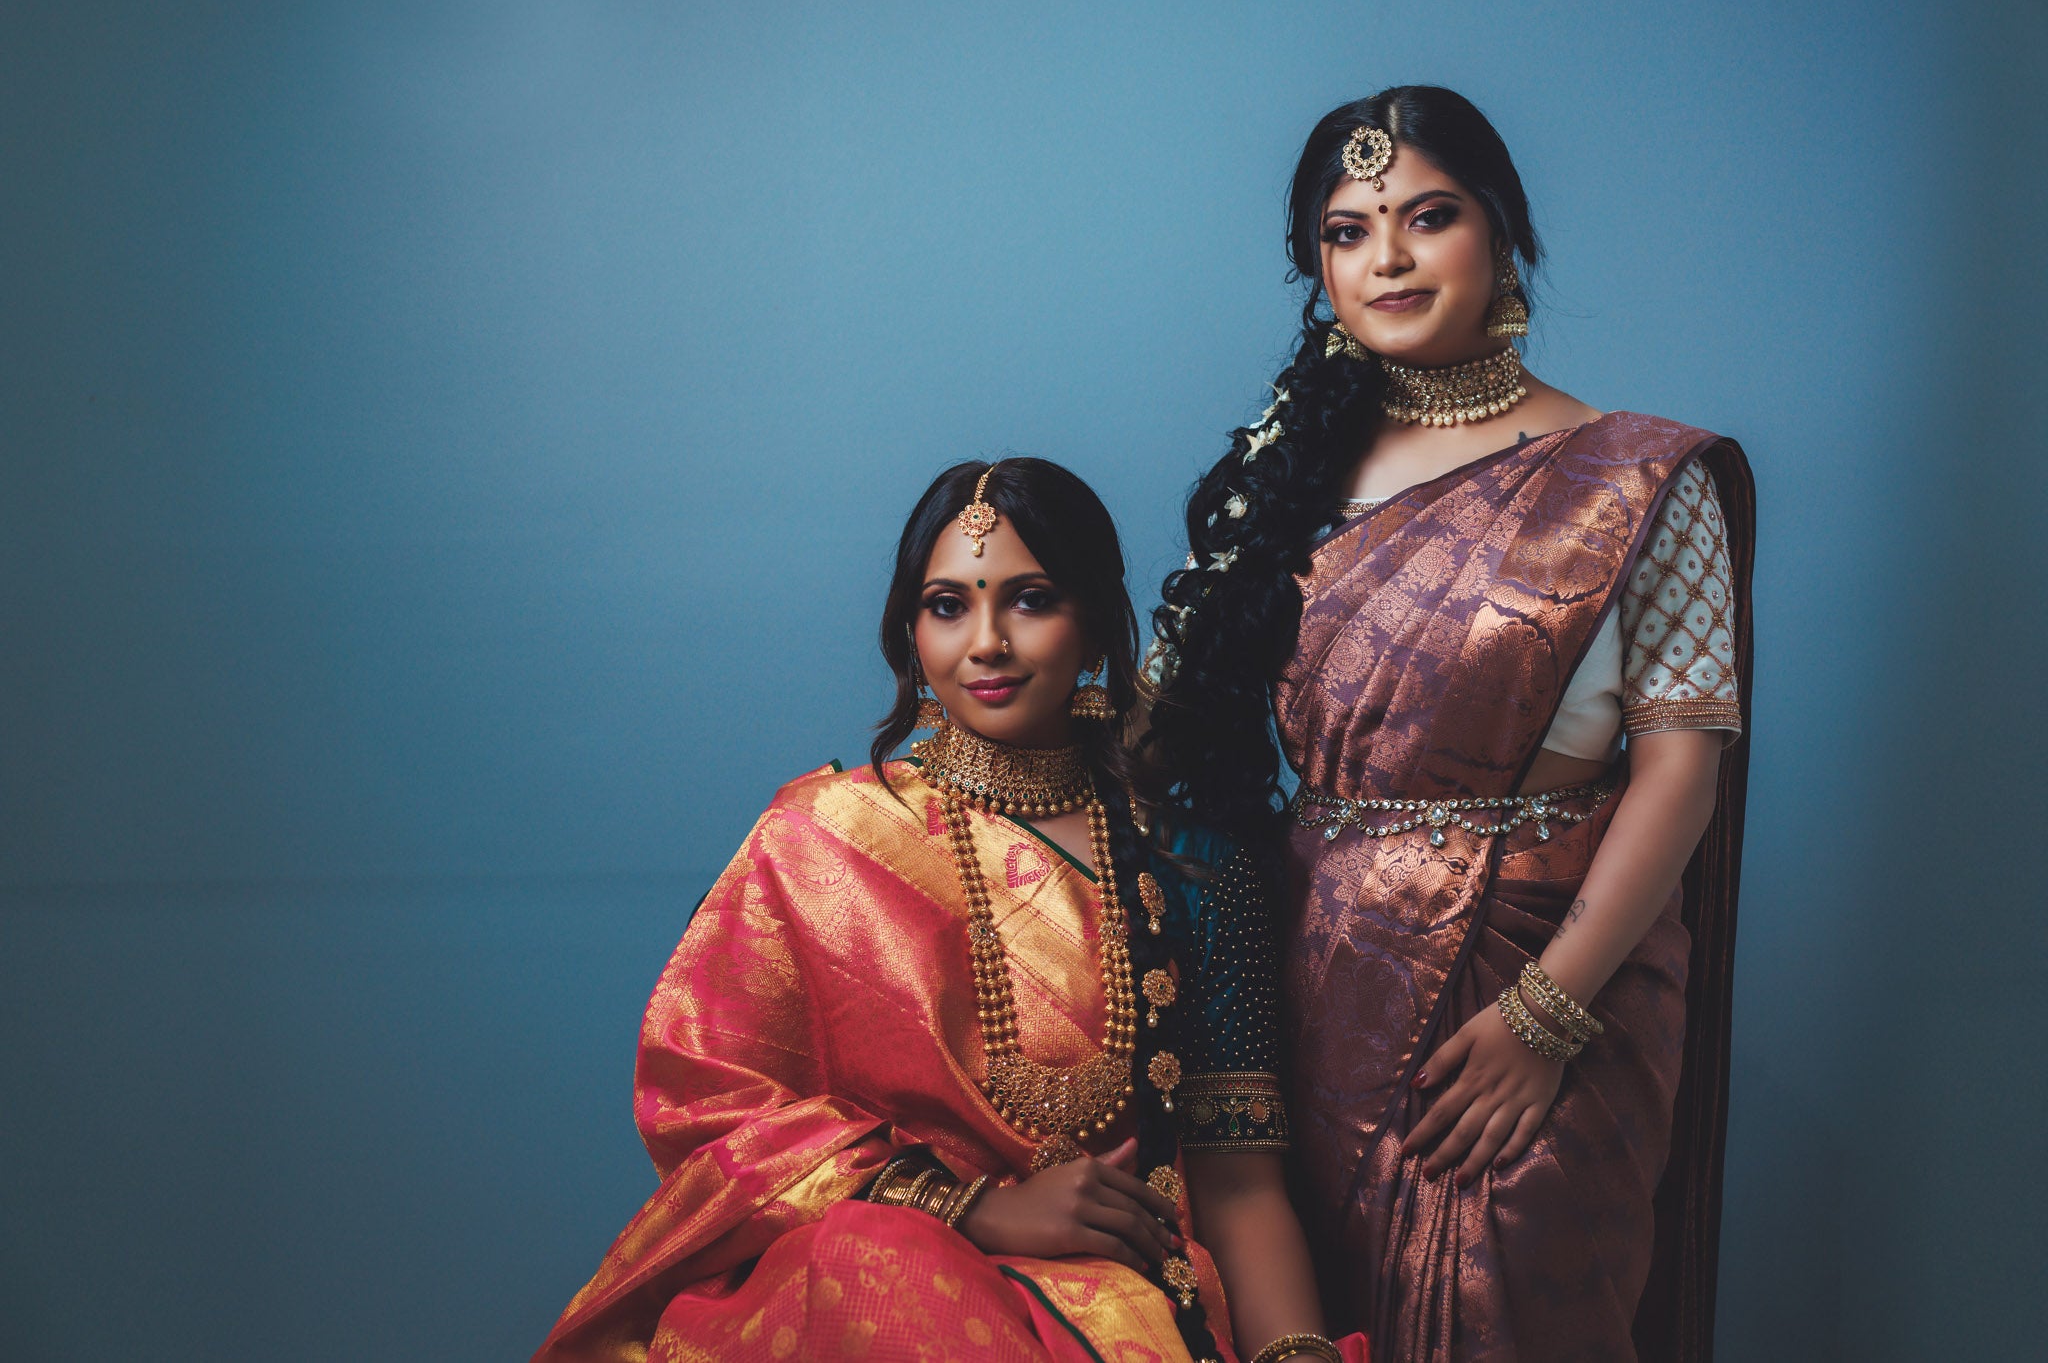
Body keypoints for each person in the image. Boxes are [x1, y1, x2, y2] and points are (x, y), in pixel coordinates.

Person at [1139, 87, 1754, 1363]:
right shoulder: (1288, 475)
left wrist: (1548, 1016)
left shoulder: (1636, 475)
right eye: (1348, 231)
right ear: (1316, 264)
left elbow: (1678, 776)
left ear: (1503, 234)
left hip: (1539, 985)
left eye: (1427, 218)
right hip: (1309, 977)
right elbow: (1158, 713)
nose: (1389, 260)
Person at [534, 459, 1358, 1363]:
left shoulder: (1194, 864)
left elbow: (1239, 1181)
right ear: (909, 631)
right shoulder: (822, 839)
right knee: (875, 1263)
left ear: (1094, 626)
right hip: (877, 1288)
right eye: (948, 604)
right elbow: (715, 1110)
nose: (987, 641)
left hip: (1126, 1301)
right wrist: (972, 1208)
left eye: (1031, 599)